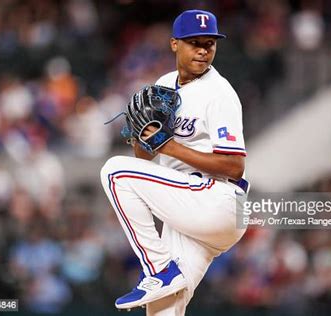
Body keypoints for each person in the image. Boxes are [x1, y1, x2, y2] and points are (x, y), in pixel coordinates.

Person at [100, 9, 248, 315]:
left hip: (217, 199)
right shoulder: (165, 83)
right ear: (174, 44)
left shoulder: (219, 93)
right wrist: (139, 137)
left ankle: (157, 269)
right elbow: (147, 159)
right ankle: (162, 274)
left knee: (114, 172)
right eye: (194, 42)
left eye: (210, 43)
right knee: (163, 310)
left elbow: (234, 166)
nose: (203, 50)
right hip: (188, 207)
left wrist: (169, 145)